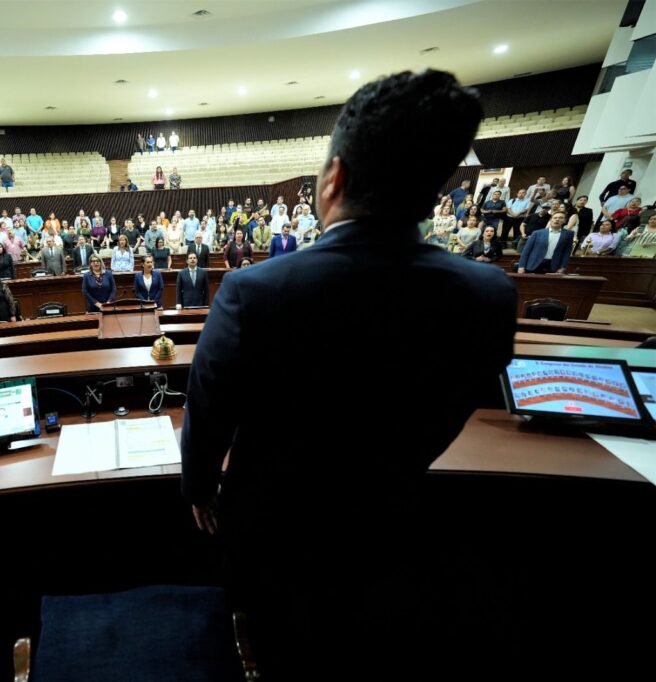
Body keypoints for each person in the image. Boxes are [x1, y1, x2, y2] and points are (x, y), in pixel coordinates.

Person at [180, 69, 517, 675]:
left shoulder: (255, 290)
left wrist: (198, 486)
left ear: (333, 177)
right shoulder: (490, 294)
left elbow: (208, 411)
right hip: (393, 525)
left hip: (271, 539)